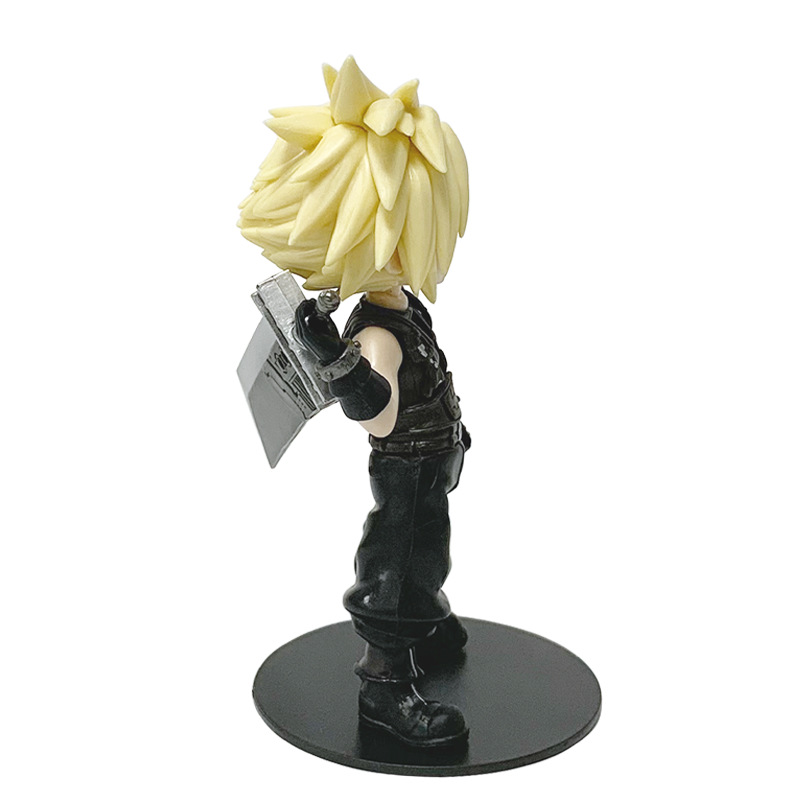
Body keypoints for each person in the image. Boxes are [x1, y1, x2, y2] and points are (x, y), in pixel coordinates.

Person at [239, 57, 470, 748]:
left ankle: (424, 623)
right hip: (408, 469)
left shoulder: (402, 307)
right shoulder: (376, 332)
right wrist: (336, 359)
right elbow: (379, 414)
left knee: (426, 554)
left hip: (434, 464)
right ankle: (384, 685)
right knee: (397, 567)